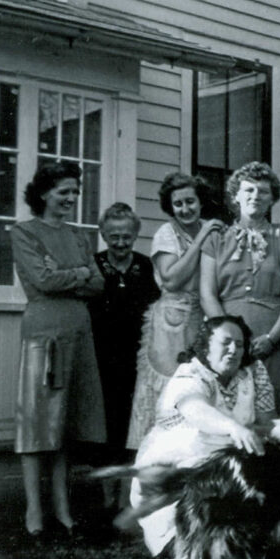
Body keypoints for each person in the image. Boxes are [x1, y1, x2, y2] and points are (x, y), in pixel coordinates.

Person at [11, 161, 106, 537]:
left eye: (74, 192)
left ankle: (64, 510)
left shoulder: (80, 236)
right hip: (44, 334)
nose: (71, 198)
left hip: (78, 333)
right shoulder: (24, 232)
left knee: (64, 424)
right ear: (43, 193)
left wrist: (76, 274)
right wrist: (77, 273)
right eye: (64, 191)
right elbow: (42, 280)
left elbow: (97, 284)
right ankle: (35, 512)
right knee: (38, 421)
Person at [130, 316, 273, 556]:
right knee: (201, 541)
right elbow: (196, 409)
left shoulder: (253, 372)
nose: (233, 350)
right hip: (179, 474)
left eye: (239, 344)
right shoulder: (190, 373)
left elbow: (267, 423)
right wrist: (233, 427)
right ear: (206, 346)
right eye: (225, 343)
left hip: (231, 473)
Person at [127, 173, 225, 449]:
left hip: (203, 315)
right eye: (178, 204)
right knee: (170, 390)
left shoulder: (212, 228)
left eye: (190, 201)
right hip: (173, 321)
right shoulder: (166, 234)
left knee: (199, 389)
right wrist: (202, 237)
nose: (185, 209)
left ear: (201, 201)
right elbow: (171, 279)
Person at [200, 161, 280, 413]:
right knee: (230, 406)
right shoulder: (216, 238)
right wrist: (227, 337)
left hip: (274, 336)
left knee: (275, 409)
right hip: (227, 339)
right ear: (236, 195)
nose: (255, 196)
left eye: (263, 191)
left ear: (272, 199)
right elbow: (207, 292)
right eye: (248, 190)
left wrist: (272, 338)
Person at [87, 203, 159, 510]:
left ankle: (129, 498)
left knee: (133, 425)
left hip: (136, 359)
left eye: (126, 237)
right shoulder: (93, 264)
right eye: (113, 236)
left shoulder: (146, 267)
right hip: (100, 358)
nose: (119, 243)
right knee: (105, 429)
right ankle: (105, 500)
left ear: (135, 235)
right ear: (103, 234)